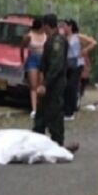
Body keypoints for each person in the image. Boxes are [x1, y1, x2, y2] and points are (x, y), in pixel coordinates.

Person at [32, 15, 78, 152]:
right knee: (41, 113)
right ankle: (36, 141)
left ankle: (57, 143)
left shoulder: (57, 41)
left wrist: (45, 84)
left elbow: (56, 66)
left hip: (54, 84)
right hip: (49, 82)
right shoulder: (51, 40)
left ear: (47, 25)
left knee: (54, 112)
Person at [64, 19, 98, 119]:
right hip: (67, 63)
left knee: (72, 86)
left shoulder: (77, 36)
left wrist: (85, 50)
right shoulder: (65, 37)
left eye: (65, 26)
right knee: (66, 87)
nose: (64, 28)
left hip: (77, 63)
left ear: (70, 26)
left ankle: (70, 110)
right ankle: (67, 109)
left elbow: (93, 42)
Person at [20, 17, 47, 119]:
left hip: (43, 59)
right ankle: (34, 109)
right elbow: (22, 47)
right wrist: (23, 60)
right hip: (33, 60)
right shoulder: (29, 35)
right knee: (33, 85)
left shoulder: (45, 35)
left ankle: (41, 106)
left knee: (42, 84)